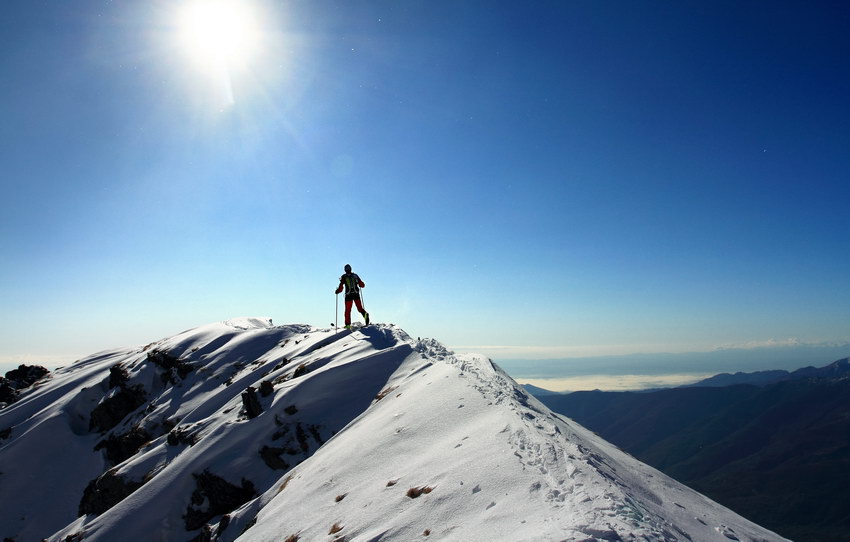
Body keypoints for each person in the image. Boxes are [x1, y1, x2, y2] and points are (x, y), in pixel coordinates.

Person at [335, 264, 369, 328]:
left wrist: (337, 291)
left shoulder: (344, 277)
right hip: (356, 294)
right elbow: (362, 285)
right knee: (359, 308)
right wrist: (360, 285)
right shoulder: (355, 276)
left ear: (345, 270)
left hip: (348, 295)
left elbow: (341, 287)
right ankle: (365, 315)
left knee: (348, 310)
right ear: (351, 269)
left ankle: (348, 325)